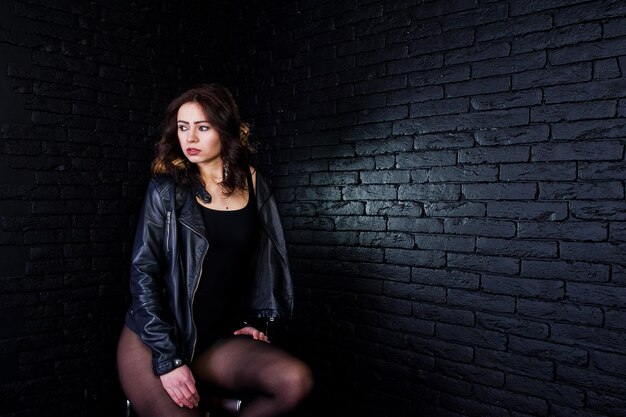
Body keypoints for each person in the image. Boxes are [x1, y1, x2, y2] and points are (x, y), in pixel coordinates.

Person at [116, 83, 313, 417]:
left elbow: (257, 261)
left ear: (226, 130)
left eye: (202, 127)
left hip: (215, 339)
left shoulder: (253, 183)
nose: (189, 138)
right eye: (183, 127)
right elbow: (143, 275)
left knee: (295, 380)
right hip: (155, 339)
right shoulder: (167, 190)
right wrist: (168, 360)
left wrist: (251, 319)